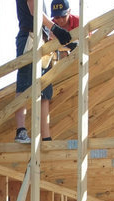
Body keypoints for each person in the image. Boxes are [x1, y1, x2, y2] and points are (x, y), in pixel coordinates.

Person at [14, 0, 75, 143]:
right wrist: (55, 28)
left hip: (42, 41)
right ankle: (21, 130)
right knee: (24, 85)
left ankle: (46, 136)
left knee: (45, 89)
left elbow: (43, 27)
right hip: (30, 38)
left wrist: (66, 43)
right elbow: (34, 11)